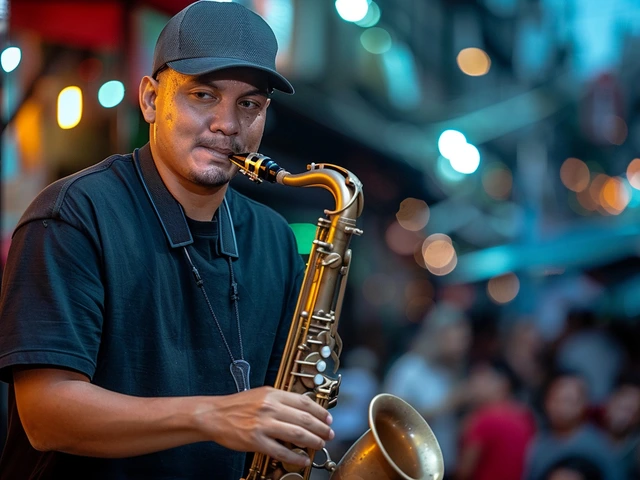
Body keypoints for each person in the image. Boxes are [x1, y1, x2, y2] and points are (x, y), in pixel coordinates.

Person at [0, 2, 335, 479]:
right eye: (203, 94)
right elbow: (46, 416)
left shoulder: (275, 238)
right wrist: (212, 416)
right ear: (152, 99)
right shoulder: (72, 214)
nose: (227, 124)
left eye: (249, 104)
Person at [455, 358, 536, 480]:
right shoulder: (525, 415)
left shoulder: (483, 419)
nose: (473, 385)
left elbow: (464, 472)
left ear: (502, 384)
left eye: (481, 379)